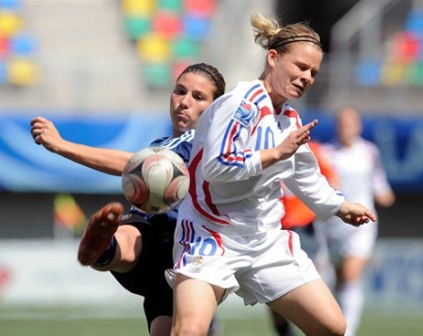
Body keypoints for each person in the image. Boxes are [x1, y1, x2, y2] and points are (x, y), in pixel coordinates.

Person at [167, 13, 376, 336]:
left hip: (265, 240)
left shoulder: (288, 118)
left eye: (314, 73)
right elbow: (216, 167)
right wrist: (274, 154)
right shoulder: (241, 103)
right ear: (273, 58)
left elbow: (304, 173)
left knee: (332, 327)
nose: (307, 77)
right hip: (211, 235)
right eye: (300, 67)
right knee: (189, 330)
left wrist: (338, 207)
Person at [30, 63, 226, 336]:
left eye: (198, 97)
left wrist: (63, 146)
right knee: (135, 232)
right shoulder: (168, 142)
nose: (184, 102)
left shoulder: (203, 141)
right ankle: (105, 246)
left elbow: (134, 164)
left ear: (216, 109)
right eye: (180, 91)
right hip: (175, 254)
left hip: (180, 249)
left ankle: (106, 250)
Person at [314, 105, 396, 336]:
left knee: (351, 274)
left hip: (363, 221)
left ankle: (347, 332)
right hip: (333, 224)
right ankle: (337, 324)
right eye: (341, 123)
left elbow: (377, 179)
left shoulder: (369, 151)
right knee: (338, 279)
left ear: (358, 126)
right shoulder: (326, 152)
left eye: (349, 123)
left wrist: (383, 193)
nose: (345, 127)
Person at [268, 141, 339, 336]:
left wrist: (323, 206)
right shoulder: (263, 147)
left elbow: (331, 178)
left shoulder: (312, 149)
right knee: (274, 293)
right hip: (273, 228)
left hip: (304, 226)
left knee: (311, 282)